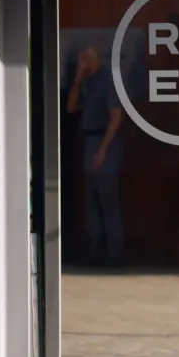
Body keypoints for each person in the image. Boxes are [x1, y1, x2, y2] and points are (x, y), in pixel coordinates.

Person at [66, 45, 124, 266]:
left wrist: (103, 150)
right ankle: (95, 249)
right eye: (82, 57)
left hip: (104, 141)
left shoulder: (108, 79)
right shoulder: (87, 82)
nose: (85, 61)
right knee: (91, 200)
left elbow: (116, 118)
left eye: (88, 57)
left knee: (107, 199)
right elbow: (71, 108)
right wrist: (78, 79)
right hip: (89, 140)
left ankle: (114, 252)